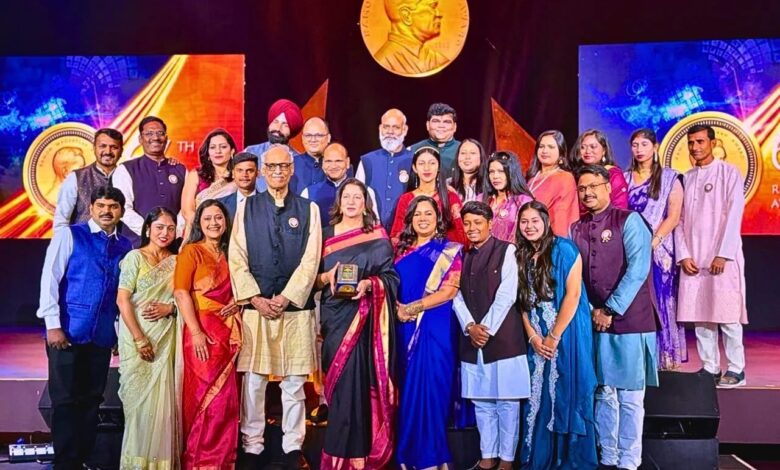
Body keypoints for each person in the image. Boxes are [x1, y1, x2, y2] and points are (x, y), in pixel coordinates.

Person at [229, 144, 321, 469]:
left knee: (294, 382)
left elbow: (311, 259)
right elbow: (236, 256)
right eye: (272, 167)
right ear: (263, 172)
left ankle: (292, 446)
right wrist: (254, 298)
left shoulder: (309, 209)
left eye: (284, 166)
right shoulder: (247, 208)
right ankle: (252, 445)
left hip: (295, 309)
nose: (278, 172)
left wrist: (287, 297)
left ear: (292, 170)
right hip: (257, 308)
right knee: (254, 381)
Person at [36, 186, 132, 470]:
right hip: (67, 332)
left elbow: (121, 294)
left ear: (121, 211)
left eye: (113, 206)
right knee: (65, 400)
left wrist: (117, 333)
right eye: (101, 205)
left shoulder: (125, 246)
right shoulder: (70, 235)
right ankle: (66, 463)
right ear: (91, 208)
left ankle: (83, 459)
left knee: (92, 400)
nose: (106, 211)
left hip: (101, 335)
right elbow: (50, 279)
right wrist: (52, 325)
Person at [570, 165, 658, 470]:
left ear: (609, 187)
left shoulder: (629, 220)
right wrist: (591, 311)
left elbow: (638, 270)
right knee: (604, 393)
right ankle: (608, 456)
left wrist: (610, 309)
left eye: (594, 186)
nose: (588, 193)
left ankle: (630, 461)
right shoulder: (576, 228)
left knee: (630, 396)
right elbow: (574, 277)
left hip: (630, 320)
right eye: (582, 188)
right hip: (594, 321)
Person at [315, 179, 399, 468]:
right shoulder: (324, 235)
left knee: (359, 385)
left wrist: (369, 284)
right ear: (339, 203)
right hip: (334, 318)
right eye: (346, 197)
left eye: (357, 197)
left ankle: (359, 457)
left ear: (366, 204)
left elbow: (390, 277)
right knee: (339, 387)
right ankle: (337, 456)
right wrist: (327, 278)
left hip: (365, 320)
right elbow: (311, 279)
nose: (351, 202)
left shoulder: (378, 236)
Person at [515, 201, 598, 469]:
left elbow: (573, 296)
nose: (529, 226)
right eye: (524, 222)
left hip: (565, 335)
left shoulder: (564, 249)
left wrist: (553, 336)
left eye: (534, 221)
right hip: (536, 339)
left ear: (546, 222)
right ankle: (539, 458)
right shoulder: (521, 255)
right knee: (537, 397)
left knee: (565, 393)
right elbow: (521, 303)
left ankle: (566, 461)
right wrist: (533, 337)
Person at [453, 201, 530, 470]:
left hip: (503, 338)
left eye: (477, 222)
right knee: (482, 403)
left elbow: (507, 293)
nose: (472, 228)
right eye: (467, 223)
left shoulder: (507, 250)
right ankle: (487, 457)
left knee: (507, 403)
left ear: (490, 223)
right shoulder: (460, 255)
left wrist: (484, 329)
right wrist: (469, 326)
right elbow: (455, 294)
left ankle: (506, 461)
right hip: (472, 338)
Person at [675, 124, 747, 388]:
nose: (695, 147)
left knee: (727, 315)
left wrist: (723, 255)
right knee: (701, 315)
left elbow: (734, 215)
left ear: (713, 143)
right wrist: (683, 255)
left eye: (700, 142)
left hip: (721, 259)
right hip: (694, 259)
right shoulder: (686, 178)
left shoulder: (729, 173)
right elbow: (679, 221)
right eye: (691, 142)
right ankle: (710, 368)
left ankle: (737, 369)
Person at [394, 195, 462, 469]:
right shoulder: (399, 251)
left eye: (429, 214)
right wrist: (398, 310)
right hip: (404, 328)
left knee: (434, 390)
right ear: (410, 219)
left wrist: (412, 308)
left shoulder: (449, 251)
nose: (423, 219)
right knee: (408, 390)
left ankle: (432, 456)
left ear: (438, 219)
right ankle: (410, 454)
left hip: (436, 328)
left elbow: (449, 291)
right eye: (418, 214)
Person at [174, 200, 242, 469]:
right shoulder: (191, 252)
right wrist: (196, 332)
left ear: (226, 222)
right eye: (207, 219)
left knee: (225, 400)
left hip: (227, 331)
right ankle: (198, 461)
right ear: (199, 224)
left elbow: (241, 287)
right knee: (202, 396)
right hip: (200, 331)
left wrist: (237, 302)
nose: (214, 223)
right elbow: (181, 293)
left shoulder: (232, 253)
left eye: (218, 218)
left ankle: (222, 461)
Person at [116, 207, 179, 469]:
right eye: (159, 227)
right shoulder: (134, 258)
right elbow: (123, 300)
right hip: (137, 337)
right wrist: (140, 338)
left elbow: (184, 299)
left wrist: (170, 308)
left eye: (170, 228)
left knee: (163, 406)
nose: (165, 233)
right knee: (138, 408)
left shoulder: (177, 262)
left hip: (166, 338)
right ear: (148, 229)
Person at [625, 128, 687, 370]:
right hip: (630, 248)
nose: (639, 149)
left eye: (644, 144)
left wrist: (653, 241)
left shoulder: (670, 178)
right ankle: (637, 359)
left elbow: (673, 216)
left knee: (662, 301)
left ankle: (665, 359)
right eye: (635, 145)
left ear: (655, 147)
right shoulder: (625, 178)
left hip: (659, 251)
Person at [112, 116, 186, 247]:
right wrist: (149, 231)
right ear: (140, 139)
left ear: (166, 138)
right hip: (136, 245)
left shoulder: (180, 170)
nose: (155, 137)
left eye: (160, 133)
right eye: (149, 133)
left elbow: (186, 208)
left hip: (174, 246)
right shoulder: (126, 169)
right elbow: (123, 208)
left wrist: (173, 232)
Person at [390, 146, 466, 245]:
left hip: (445, 252)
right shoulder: (406, 199)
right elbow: (396, 236)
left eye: (432, 163)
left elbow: (461, 232)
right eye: (421, 163)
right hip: (413, 251)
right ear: (414, 168)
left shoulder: (450, 197)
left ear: (439, 167)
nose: (427, 168)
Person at [53, 128, 123, 230]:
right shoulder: (75, 177)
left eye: (114, 147)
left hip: (121, 240)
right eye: (103, 146)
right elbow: (61, 221)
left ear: (121, 151)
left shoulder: (128, 177)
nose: (108, 151)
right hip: (83, 239)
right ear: (94, 148)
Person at [356, 108, 414, 229]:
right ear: (380, 128)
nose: (390, 132)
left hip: (406, 230)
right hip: (372, 231)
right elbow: (357, 196)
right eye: (386, 127)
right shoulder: (367, 161)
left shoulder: (415, 159)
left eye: (396, 127)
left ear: (405, 130)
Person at [301, 142, 378, 227]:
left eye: (338, 161)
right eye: (328, 161)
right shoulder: (307, 193)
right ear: (323, 164)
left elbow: (374, 225)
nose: (333, 166)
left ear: (347, 162)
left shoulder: (366, 191)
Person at [181, 129, 238, 240]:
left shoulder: (239, 176)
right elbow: (187, 211)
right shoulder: (196, 175)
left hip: (232, 231)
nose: (218, 151)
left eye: (223, 147)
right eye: (212, 147)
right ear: (208, 153)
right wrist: (207, 228)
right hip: (200, 233)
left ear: (232, 151)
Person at [526, 130, 579, 237]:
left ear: (561, 153)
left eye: (551, 147)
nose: (545, 151)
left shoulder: (565, 178)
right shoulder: (532, 178)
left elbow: (562, 215)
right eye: (541, 146)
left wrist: (555, 242)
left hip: (549, 238)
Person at [374, 0, 449, 75]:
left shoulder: (437, 59)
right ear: (406, 16)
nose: (439, 14)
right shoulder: (384, 61)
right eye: (433, 7)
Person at [244, 98, 304, 192]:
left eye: (285, 125)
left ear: (292, 130)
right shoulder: (251, 152)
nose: (278, 128)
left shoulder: (299, 160)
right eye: (275, 122)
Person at [569, 129, 629, 213]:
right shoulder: (575, 175)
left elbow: (620, 209)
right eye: (583, 147)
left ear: (604, 150)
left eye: (593, 147)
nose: (587, 151)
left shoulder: (613, 174)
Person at [482, 151, 533, 243]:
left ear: (512, 173)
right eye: (491, 172)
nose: (495, 176)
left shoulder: (523, 201)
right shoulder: (481, 199)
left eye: (501, 171)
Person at [410, 103, 460, 176]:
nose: (441, 126)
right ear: (427, 125)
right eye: (436, 121)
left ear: (455, 127)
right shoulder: (412, 151)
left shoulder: (464, 151)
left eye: (446, 122)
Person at [290, 117, 331, 194]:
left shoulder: (340, 166)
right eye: (308, 135)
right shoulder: (290, 164)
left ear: (328, 138)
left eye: (318, 135)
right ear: (302, 138)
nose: (313, 140)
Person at [218, 151, 259, 221]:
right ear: (233, 174)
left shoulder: (268, 203)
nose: (244, 175)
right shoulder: (220, 204)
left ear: (257, 173)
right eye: (240, 170)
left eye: (249, 170)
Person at [450, 138, 486, 203]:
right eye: (463, 153)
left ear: (481, 157)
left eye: (472, 153)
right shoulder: (448, 185)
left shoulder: (489, 184)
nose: (467, 157)